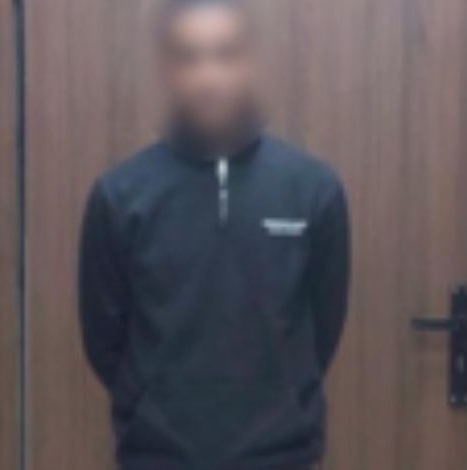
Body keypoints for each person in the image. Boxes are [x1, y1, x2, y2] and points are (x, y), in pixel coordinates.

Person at [78, 0, 350, 468]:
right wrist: (147, 409)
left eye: (225, 54)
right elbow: (104, 340)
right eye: (190, 57)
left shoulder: (313, 190)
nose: (208, 76)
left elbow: (323, 326)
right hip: (158, 458)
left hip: (282, 456)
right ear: (169, 71)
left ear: (251, 63)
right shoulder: (120, 195)